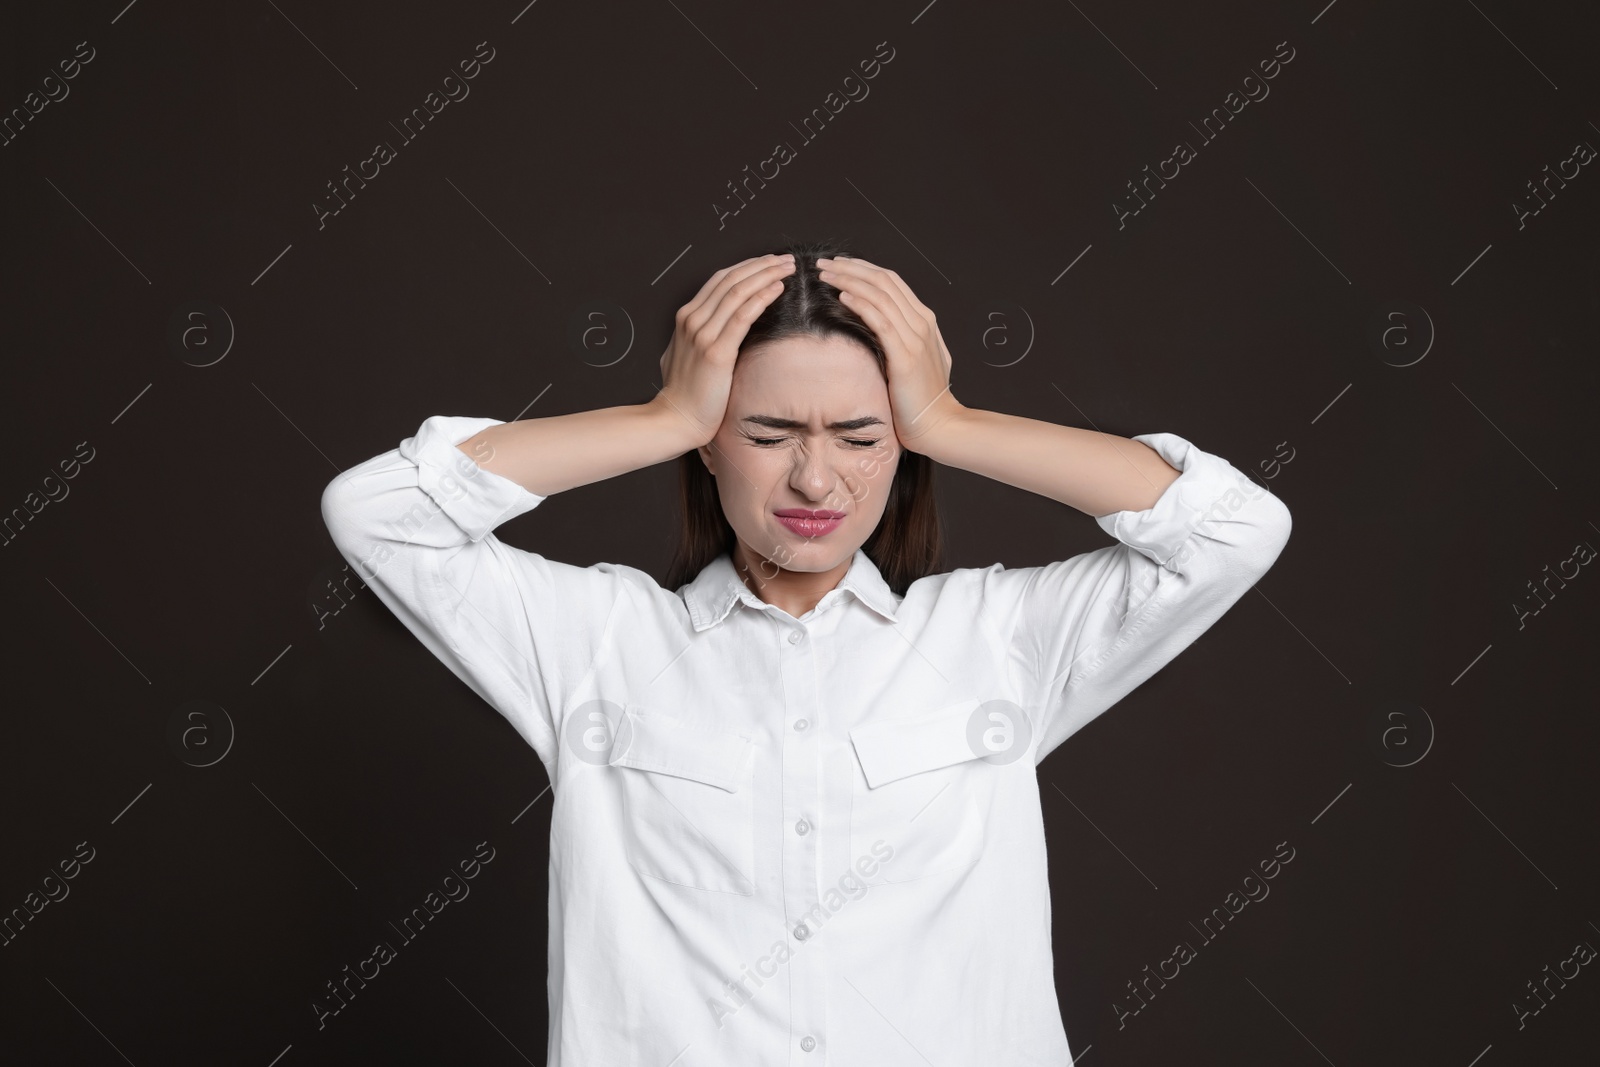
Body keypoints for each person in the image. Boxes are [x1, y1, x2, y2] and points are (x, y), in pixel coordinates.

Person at [319, 241, 1292, 1065]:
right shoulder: (596, 642)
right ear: (711, 442)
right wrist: (659, 417)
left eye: (860, 434)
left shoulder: (994, 641)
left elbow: (1230, 529)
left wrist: (950, 420)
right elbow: (379, 515)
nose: (814, 476)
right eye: (768, 431)